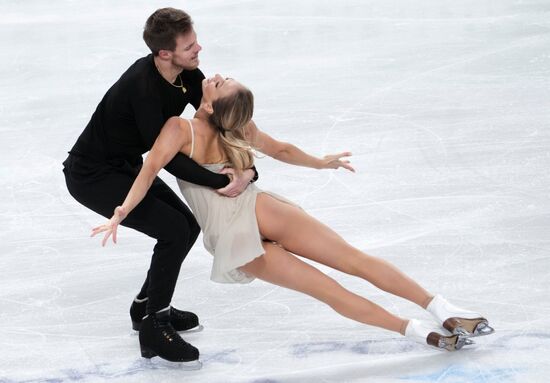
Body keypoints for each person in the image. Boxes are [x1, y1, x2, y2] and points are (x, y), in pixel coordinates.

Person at [92, 75, 494, 363]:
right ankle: (439, 309)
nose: (215, 76)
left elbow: (149, 170)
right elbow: (281, 149)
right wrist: (319, 163)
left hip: (234, 240)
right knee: (353, 262)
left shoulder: (180, 129)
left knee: (332, 290)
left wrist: (121, 211)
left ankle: (420, 331)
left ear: (211, 104)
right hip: (261, 211)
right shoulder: (238, 125)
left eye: (221, 82)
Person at [63, 8, 258, 367]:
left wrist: (247, 168)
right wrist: (221, 181)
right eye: (189, 46)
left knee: (188, 225)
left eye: (195, 40)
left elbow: (215, 124)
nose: (199, 48)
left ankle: (144, 307)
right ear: (164, 53)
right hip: (92, 175)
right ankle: (156, 324)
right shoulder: (142, 85)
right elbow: (167, 156)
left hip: (125, 167)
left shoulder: (186, 74)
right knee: (171, 230)